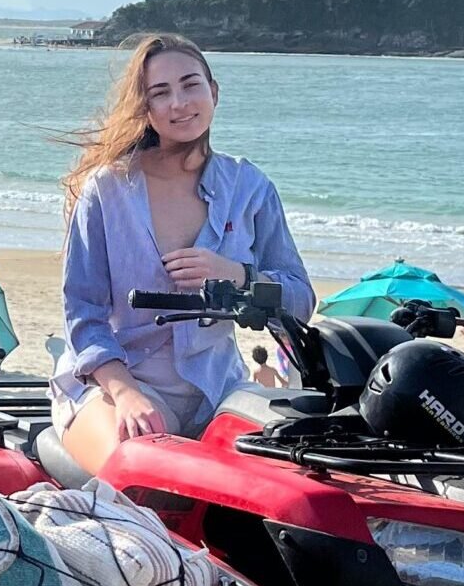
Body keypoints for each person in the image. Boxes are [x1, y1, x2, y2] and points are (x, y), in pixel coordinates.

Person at [50, 33, 314, 476]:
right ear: (146, 109)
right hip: (117, 382)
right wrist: (127, 393)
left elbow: (300, 300)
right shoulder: (107, 190)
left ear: (214, 92)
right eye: (160, 93)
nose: (179, 103)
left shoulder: (249, 188)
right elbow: (83, 312)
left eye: (190, 85)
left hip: (221, 389)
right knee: (141, 472)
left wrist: (237, 275)